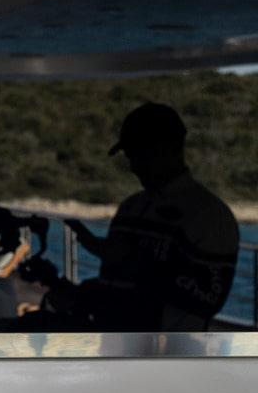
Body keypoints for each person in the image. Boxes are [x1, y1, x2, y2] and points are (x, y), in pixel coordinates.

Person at [61, 103, 239, 331]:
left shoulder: (209, 216)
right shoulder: (130, 207)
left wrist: (131, 261)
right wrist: (83, 293)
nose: (133, 166)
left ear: (170, 149)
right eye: (130, 156)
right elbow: (120, 285)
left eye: (140, 155)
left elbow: (208, 301)